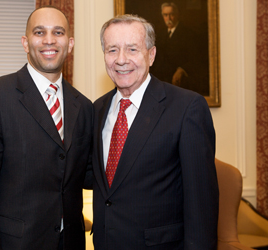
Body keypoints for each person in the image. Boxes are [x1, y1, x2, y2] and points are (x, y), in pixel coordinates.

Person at [0, 6, 93, 250]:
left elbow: (85, 173)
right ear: (25, 42)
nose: (49, 40)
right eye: (39, 32)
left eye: (58, 32)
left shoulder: (84, 106)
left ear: (70, 43)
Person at [92, 14, 218, 249]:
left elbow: (201, 204)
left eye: (132, 49)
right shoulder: (97, 109)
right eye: (112, 50)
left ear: (151, 55)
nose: (121, 60)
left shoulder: (187, 107)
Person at [150, 2, 209, 96]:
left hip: (181, 82)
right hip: (163, 81)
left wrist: (182, 69)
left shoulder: (188, 34)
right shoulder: (160, 35)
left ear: (177, 15)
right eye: (165, 15)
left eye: (171, 14)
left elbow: (195, 58)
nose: (168, 18)